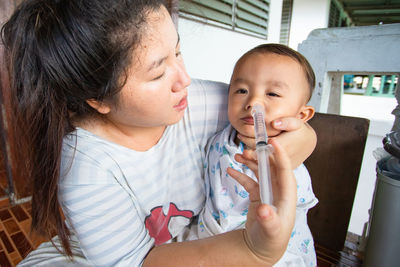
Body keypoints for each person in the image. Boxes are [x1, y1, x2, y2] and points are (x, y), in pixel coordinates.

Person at [1, 0, 316, 266]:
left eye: (177, 52)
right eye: (158, 72)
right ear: (98, 99)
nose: (185, 79)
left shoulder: (199, 102)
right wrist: (252, 249)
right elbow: (141, 262)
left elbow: (290, 128)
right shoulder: (86, 167)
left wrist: (297, 141)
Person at [196, 44, 318, 267]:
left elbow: (290, 216)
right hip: (213, 243)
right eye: (242, 90)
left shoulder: (286, 164)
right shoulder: (219, 139)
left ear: (301, 115)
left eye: (272, 93)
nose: (253, 103)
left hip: (275, 254)